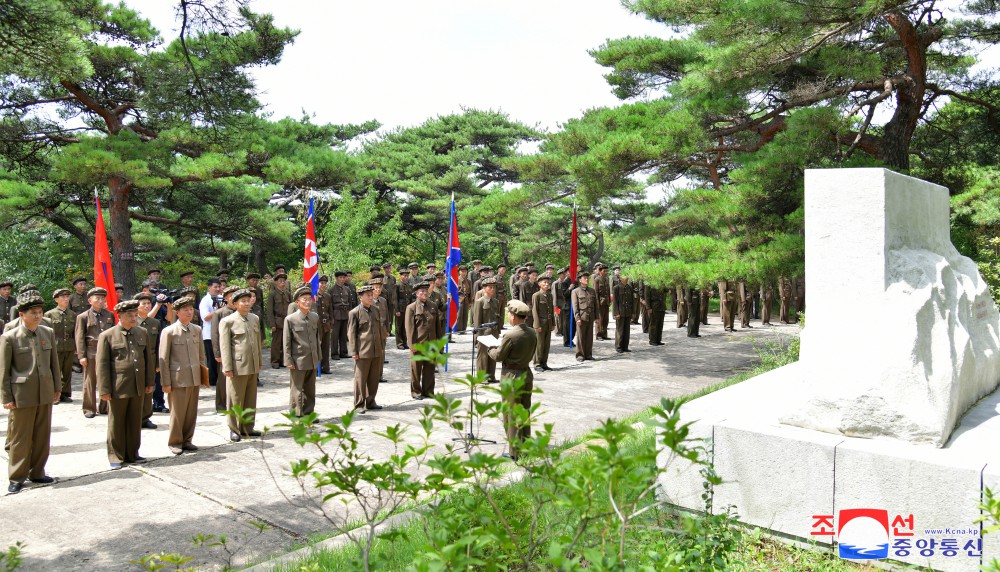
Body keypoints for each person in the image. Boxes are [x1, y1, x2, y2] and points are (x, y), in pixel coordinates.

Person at [2, 291, 60, 493]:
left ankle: (37, 472)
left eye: (39, 311)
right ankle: (17, 476)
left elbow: (54, 364)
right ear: (21, 314)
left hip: (44, 391)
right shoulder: (9, 337)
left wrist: (57, 388)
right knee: (21, 437)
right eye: (33, 312)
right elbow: (4, 370)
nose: (37, 315)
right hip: (22, 394)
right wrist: (6, 397)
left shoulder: (47, 332)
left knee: (42, 435)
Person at [96, 300, 155, 468]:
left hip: (138, 384)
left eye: (135, 315)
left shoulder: (142, 332)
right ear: (119, 316)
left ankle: (132, 453)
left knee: (134, 421)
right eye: (129, 315)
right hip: (118, 386)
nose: (133, 318)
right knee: (117, 422)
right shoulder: (107, 335)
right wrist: (104, 389)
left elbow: (148, 359)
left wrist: (149, 381)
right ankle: (116, 455)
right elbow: (102, 365)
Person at [488, 300, 537, 461]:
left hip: (511, 376)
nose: (508, 316)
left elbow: (499, 356)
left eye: (509, 314)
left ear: (514, 316)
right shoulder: (532, 332)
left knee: (511, 414)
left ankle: (514, 451)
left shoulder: (511, 334)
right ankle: (526, 445)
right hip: (526, 374)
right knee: (524, 411)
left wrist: (490, 348)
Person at [158, 296, 205, 455]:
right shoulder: (169, 331)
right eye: (185, 310)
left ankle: (187, 440)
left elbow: (201, 356)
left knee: (191, 412)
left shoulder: (196, 329)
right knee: (177, 413)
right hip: (177, 379)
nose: (189, 312)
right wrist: (165, 382)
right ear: (177, 312)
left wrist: (203, 376)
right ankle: (175, 442)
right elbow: (163, 358)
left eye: (191, 309)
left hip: (194, 377)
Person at [219, 289, 263, 441]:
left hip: (252, 364)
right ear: (235, 303)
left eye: (247, 300)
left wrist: (259, 361)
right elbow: (224, 346)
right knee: (235, 399)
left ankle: (247, 428)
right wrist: (227, 367)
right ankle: (234, 429)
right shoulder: (228, 321)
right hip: (237, 366)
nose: (246, 303)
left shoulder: (254, 318)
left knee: (251, 398)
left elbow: (257, 342)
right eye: (242, 301)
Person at [76, 287, 114, 418]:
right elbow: (80, 338)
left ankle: (104, 407)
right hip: (91, 352)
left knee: (106, 380)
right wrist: (82, 356)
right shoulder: (83, 317)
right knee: (90, 382)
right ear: (90, 300)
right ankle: (89, 408)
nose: (100, 300)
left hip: (107, 352)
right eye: (97, 298)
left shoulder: (109, 315)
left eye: (102, 298)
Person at [348, 284, 386, 412]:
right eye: (368, 295)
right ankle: (359, 404)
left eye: (371, 295)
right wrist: (354, 351)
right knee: (360, 379)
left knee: (374, 378)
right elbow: (351, 334)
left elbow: (380, 329)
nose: (371, 297)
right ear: (360, 297)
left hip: (376, 349)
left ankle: (371, 401)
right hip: (363, 351)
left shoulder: (376, 310)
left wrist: (381, 346)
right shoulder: (354, 313)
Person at [284, 286, 320, 417]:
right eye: (304, 299)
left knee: (310, 388)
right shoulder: (291, 319)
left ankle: (309, 412)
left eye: (309, 299)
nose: (307, 302)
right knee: (297, 388)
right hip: (298, 359)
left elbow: (317, 338)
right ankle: (296, 413)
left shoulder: (314, 317)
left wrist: (318, 355)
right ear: (297, 303)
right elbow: (287, 341)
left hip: (312, 358)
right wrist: (288, 359)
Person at [134, 293, 166, 430]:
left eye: (149, 303)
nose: (147, 306)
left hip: (151, 361)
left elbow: (159, 344)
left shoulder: (155, 323)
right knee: (136, 390)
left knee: (149, 389)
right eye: (143, 304)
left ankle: (146, 418)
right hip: (136, 361)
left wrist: (158, 364)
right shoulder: (133, 322)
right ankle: (134, 418)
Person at [406, 281, 441, 399]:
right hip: (418, 344)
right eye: (422, 291)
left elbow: (438, 327)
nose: (424, 293)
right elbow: (409, 328)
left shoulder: (433, 306)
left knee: (430, 369)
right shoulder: (411, 308)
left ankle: (428, 391)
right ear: (416, 293)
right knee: (416, 370)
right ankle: (416, 392)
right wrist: (412, 345)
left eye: (426, 291)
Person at [211, 285, 240, 412]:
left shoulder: (243, 313)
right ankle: (222, 406)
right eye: (231, 295)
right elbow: (215, 335)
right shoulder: (219, 313)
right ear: (226, 298)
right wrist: (217, 353)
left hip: (239, 352)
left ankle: (236, 405)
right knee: (223, 380)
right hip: (224, 351)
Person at [44, 288, 76, 403]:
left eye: (67, 297)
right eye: (63, 297)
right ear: (56, 299)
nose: (66, 299)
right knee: (55, 371)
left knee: (67, 371)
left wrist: (76, 347)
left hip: (69, 345)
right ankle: (54, 394)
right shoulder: (49, 314)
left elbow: (75, 332)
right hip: (55, 345)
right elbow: (45, 332)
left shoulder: (72, 314)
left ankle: (65, 393)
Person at [472, 277, 501, 383]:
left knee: (493, 355)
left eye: (494, 287)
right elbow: (477, 320)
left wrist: (498, 331)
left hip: (493, 332)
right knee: (483, 355)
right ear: (484, 288)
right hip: (484, 333)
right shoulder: (480, 302)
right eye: (490, 287)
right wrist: (478, 336)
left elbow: (497, 317)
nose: (492, 289)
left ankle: (491, 376)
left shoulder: (495, 301)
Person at [198, 278, 223, 405]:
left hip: (221, 333)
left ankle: (220, 378)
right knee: (211, 359)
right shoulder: (205, 300)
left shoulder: (222, 298)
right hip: (208, 334)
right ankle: (212, 380)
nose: (218, 289)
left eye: (219, 286)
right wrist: (218, 312)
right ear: (209, 288)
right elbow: (205, 317)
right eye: (215, 287)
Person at [531, 273, 555, 372]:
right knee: (539, 344)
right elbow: (535, 311)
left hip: (548, 323)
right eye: (544, 282)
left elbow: (552, 310)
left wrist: (553, 323)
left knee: (546, 344)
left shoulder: (549, 295)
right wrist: (537, 325)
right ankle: (537, 364)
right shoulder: (536, 295)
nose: (547, 284)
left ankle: (544, 363)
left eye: (548, 282)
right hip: (540, 322)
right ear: (539, 284)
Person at [267, 273, 292, 369]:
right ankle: (275, 361)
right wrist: (272, 323)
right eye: (280, 281)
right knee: (276, 343)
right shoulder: (272, 294)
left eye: (284, 281)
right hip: (277, 320)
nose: (282, 283)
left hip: (286, 320)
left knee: (284, 342)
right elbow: (270, 310)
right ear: (276, 282)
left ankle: (282, 360)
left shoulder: (288, 294)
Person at [571, 272, 597, 361]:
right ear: (580, 280)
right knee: (581, 337)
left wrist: (596, 317)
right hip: (582, 317)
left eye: (587, 278)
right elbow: (575, 306)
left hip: (590, 316)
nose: (586, 279)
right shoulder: (576, 291)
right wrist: (577, 318)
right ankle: (580, 355)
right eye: (584, 278)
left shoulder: (592, 291)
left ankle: (588, 354)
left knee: (589, 337)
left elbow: (595, 305)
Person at [330, 271, 352, 359]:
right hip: (336, 314)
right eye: (340, 278)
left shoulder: (347, 289)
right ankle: (334, 353)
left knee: (344, 334)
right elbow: (330, 305)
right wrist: (331, 317)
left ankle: (344, 352)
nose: (342, 279)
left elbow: (350, 303)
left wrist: (349, 313)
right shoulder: (331, 290)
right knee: (335, 335)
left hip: (345, 314)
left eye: (343, 278)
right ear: (336, 278)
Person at [315, 275, 333, 374]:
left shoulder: (327, 296)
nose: (323, 285)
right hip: (317, 325)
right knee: (317, 346)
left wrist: (331, 324)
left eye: (325, 283)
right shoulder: (313, 296)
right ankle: (316, 368)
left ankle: (325, 367)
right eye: (321, 283)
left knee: (326, 347)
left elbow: (330, 311)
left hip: (326, 325)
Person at [612, 275, 634, 353]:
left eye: (627, 277)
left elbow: (632, 301)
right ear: (620, 278)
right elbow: (615, 302)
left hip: (627, 312)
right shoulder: (616, 288)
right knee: (620, 330)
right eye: (624, 277)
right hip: (620, 312)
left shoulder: (629, 287)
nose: (626, 278)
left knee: (626, 330)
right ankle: (618, 346)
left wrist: (632, 312)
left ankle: (625, 346)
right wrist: (616, 313)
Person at [394, 267, 412, 349]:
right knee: (398, 327)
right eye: (404, 276)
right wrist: (397, 310)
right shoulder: (397, 285)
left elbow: (410, 297)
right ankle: (399, 343)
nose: (406, 277)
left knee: (405, 326)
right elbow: (394, 299)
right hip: (400, 309)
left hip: (407, 308)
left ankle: (405, 342)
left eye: (407, 276)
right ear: (400, 276)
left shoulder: (409, 285)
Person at [594, 264, 611, 340]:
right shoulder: (597, 279)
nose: (606, 272)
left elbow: (608, 291)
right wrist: (597, 304)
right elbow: (596, 293)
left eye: (607, 271)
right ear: (600, 271)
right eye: (604, 271)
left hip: (606, 302)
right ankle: (599, 335)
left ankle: (604, 334)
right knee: (599, 319)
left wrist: (609, 301)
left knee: (605, 319)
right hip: (600, 303)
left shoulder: (607, 279)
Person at [457, 265, 472, 332]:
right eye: (462, 271)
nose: (464, 273)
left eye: (465, 271)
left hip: (466, 299)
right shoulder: (456, 280)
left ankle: (463, 329)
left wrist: (470, 301)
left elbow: (470, 291)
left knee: (465, 315)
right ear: (459, 272)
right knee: (459, 315)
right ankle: (458, 329)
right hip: (459, 299)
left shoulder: (468, 281)